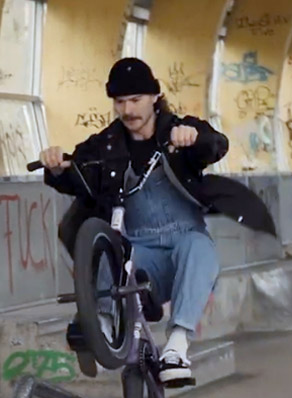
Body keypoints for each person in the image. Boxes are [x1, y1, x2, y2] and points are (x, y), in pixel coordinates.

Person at [39, 57, 274, 381]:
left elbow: (216, 144)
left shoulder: (177, 130)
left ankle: (177, 346)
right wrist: (55, 167)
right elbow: (77, 177)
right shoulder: (105, 145)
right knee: (112, 253)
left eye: (135, 100)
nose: (128, 110)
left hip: (181, 246)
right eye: (120, 102)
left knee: (200, 247)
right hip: (138, 251)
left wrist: (193, 137)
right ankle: (102, 325)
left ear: (154, 97)